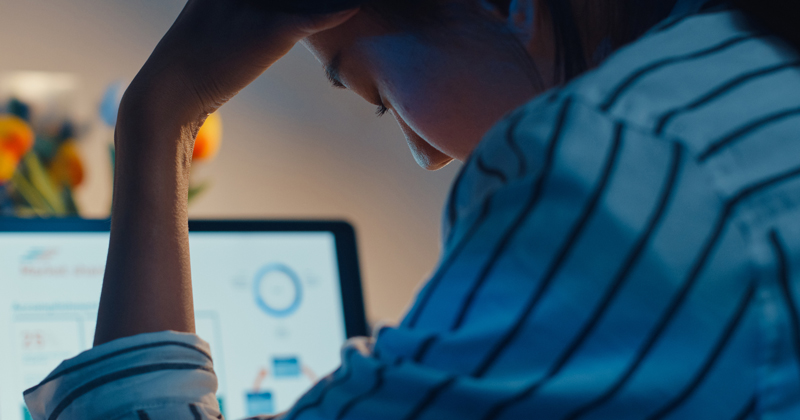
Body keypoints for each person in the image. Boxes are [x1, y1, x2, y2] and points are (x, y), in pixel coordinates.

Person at [22, 0, 800, 418]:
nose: (426, 155)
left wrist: (162, 112)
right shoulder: (751, 71)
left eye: (373, 96)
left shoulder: (617, 160)